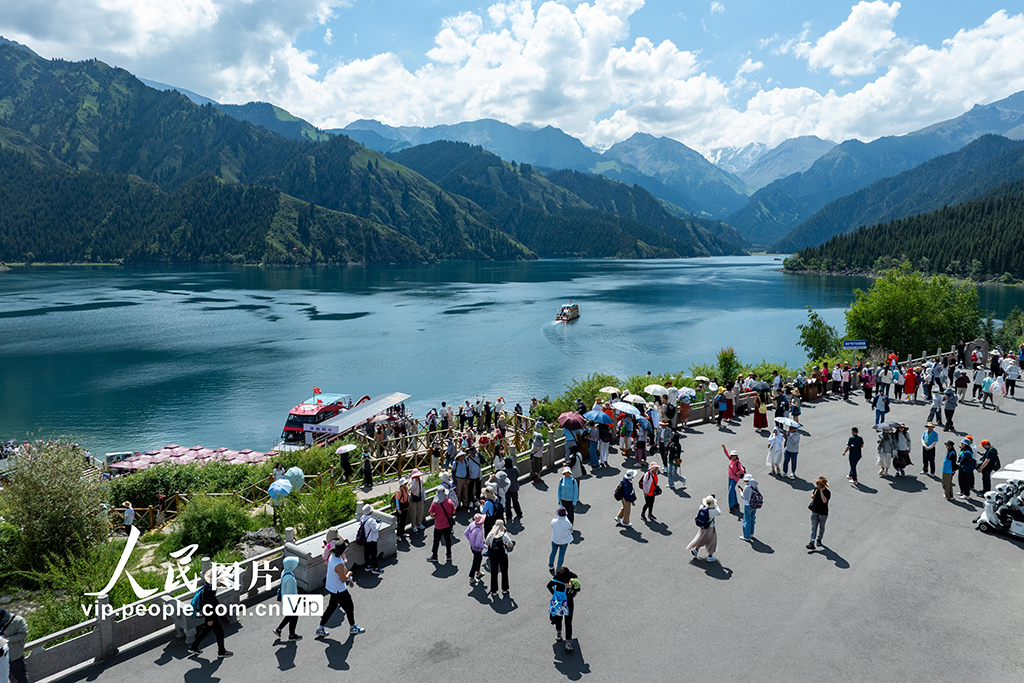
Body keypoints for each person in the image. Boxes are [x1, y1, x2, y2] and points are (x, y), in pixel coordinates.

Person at [316, 540, 364, 637]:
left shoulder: (333, 558)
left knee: (331, 608)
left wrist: (348, 577)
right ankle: (353, 627)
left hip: (332, 587)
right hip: (339, 589)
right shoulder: (339, 563)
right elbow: (343, 579)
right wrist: (350, 574)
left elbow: (343, 569)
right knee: (349, 607)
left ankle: (320, 627)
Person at [189, 570, 233, 657]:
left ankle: (194, 647)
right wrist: (210, 619)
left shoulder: (208, 586)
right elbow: (208, 605)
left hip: (210, 614)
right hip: (211, 615)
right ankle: (221, 651)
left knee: (205, 631)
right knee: (219, 632)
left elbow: (212, 599)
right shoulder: (210, 589)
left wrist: (218, 605)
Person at [548, 566, 581, 653]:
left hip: (568, 601)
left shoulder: (573, 577)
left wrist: (571, 587)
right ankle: (559, 632)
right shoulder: (558, 577)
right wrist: (555, 594)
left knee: (568, 621)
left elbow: (578, 588)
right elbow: (549, 585)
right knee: (558, 618)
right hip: (560, 602)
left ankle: (568, 641)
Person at [273, 556, 302, 641]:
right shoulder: (290, 579)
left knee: (290, 616)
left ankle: (279, 629)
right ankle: (291, 635)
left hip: (285, 599)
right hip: (291, 601)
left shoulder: (284, 573)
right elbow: (290, 592)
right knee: (294, 617)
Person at [687, 495, 721, 562]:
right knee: (712, 541)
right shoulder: (714, 511)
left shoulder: (701, 507)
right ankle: (710, 556)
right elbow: (719, 512)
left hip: (703, 526)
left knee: (702, 538)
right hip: (710, 527)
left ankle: (696, 549)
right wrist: (715, 504)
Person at [486, 519, 514, 597]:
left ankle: (494, 590)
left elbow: (487, 542)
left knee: (494, 572)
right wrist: (507, 545)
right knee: (504, 572)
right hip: (502, 555)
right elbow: (511, 544)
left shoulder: (491, 534)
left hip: (493, 555)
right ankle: (505, 589)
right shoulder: (504, 535)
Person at [427, 488, 455, 563]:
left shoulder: (434, 503)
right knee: (448, 540)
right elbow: (453, 512)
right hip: (447, 525)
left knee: (436, 541)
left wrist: (437, 514)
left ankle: (434, 556)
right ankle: (449, 555)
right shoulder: (449, 501)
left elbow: (431, 514)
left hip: (438, 525)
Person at [0, 608, 27, 683]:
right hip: (2, 658)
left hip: (15, 656)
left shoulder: (18, 620)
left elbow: (23, 634)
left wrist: (8, 639)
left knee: (21, 677)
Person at [806, 477, 831, 550]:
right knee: (814, 526)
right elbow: (812, 496)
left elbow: (824, 501)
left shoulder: (827, 492)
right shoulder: (816, 489)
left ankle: (819, 539)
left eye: (819, 484)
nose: (817, 485)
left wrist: (821, 492)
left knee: (821, 527)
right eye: (817, 483)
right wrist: (813, 496)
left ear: (823, 486)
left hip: (823, 513)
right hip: (814, 511)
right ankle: (811, 542)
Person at [358, 505, 383, 575]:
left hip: (365, 539)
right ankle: (375, 568)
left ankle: (367, 566)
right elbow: (375, 529)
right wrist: (379, 523)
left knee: (367, 552)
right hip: (372, 539)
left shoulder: (362, 518)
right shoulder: (371, 520)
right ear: (370, 512)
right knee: (373, 553)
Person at [464, 513, 486, 586]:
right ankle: (472, 577)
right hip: (477, 548)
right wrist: (486, 546)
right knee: (476, 561)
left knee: (479, 559)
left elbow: (466, 533)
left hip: (472, 547)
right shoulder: (479, 531)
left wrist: (470, 540)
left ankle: (478, 572)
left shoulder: (472, 524)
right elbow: (478, 543)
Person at [549, 507, 573, 572]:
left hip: (555, 540)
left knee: (553, 552)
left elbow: (552, 524)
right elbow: (570, 527)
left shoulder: (554, 521)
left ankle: (551, 565)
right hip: (563, 541)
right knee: (561, 556)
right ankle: (558, 569)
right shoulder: (567, 523)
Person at [738, 474, 761, 540]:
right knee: (752, 518)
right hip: (754, 504)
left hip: (748, 505)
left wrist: (741, 492)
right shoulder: (755, 485)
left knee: (746, 520)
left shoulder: (747, 487)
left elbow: (744, 497)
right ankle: (751, 533)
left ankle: (746, 536)